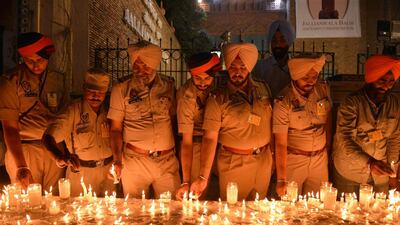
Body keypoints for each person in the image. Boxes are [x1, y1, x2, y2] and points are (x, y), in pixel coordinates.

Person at [190, 42, 273, 200]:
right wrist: (202, 177)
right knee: (234, 216)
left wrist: (273, 157)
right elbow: (209, 138)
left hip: (263, 162)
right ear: (227, 67)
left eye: (242, 68)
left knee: (261, 215)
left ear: (249, 68)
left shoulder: (263, 89)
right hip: (234, 164)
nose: (237, 72)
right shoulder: (218, 98)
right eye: (233, 67)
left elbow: (271, 124)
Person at [107, 41, 180, 198]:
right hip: (135, 163)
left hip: (167, 161)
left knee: (172, 212)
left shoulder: (169, 86)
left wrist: (177, 152)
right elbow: (115, 129)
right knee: (135, 215)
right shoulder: (121, 89)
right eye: (137, 66)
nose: (141, 71)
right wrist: (117, 160)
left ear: (155, 64)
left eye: (146, 66)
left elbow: (174, 122)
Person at [0, 32, 67, 190]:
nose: (36, 65)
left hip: (54, 149)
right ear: (23, 58)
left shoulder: (57, 79)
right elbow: (9, 127)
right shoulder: (11, 81)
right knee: (27, 205)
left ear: (48, 58)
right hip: (24, 150)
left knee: (55, 203)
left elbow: (64, 117)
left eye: (40, 60)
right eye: (29, 61)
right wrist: (22, 166)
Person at [333, 55, 400, 195]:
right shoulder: (351, 103)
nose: (386, 86)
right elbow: (344, 139)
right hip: (351, 173)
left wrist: (393, 171)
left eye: (390, 82)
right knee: (347, 214)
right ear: (371, 78)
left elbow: (395, 139)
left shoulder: (394, 104)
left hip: (381, 176)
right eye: (381, 80)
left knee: (378, 214)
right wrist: (369, 163)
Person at [42, 68, 114, 196]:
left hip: (108, 173)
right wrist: (59, 156)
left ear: (106, 93)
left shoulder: (111, 111)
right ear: (83, 89)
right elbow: (48, 137)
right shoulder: (73, 110)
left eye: (100, 92)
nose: (95, 96)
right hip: (81, 175)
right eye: (91, 91)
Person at [273, 56, 332, 196]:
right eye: (305, 77)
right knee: (291, 208)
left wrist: (328, 150)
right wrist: (281, 179)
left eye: (314, 76)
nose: (311, 81)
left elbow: (328, 121)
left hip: (319, 159)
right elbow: (280, 143)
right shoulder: (283, 101)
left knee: (317, 207)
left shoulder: (322, 90)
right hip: (294, 160)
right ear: (295, 75)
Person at [175, 52, 221, 200]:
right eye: (197, 78)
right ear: (191, 75)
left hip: (221, 146)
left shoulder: (220, 87)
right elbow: (186, 142)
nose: (203, 83)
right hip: (197, 147)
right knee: (199, 196)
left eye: (207, 78)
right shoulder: (186, 96)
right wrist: (186, 181)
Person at [253, 20, 295, 98]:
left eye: (282, 40)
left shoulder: (296, 68)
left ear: (289, 42)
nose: (277, 44)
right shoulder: (260, 68)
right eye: (274, 40)